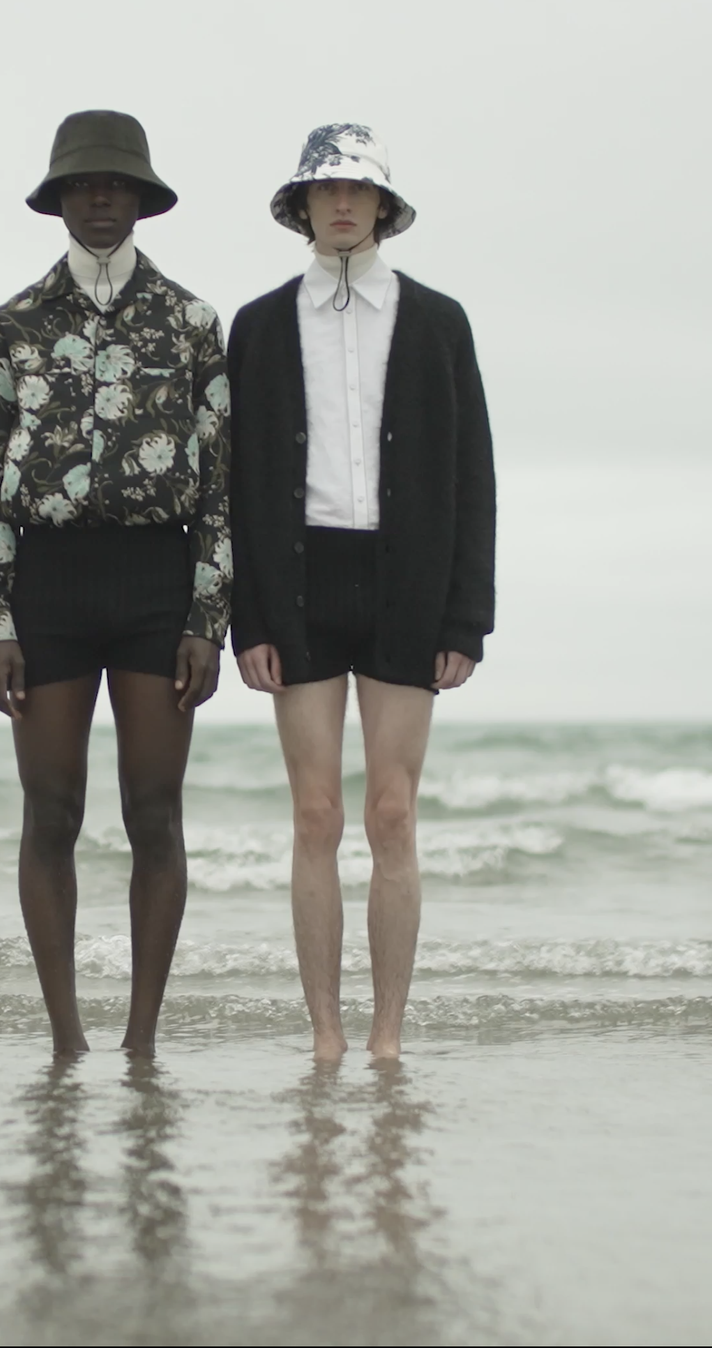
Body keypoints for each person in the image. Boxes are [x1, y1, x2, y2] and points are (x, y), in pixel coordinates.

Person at [0, 110, 231, 1059]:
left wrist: (210, 614)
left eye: (117, 185)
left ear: (145, 199)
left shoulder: (194, 324)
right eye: (83, 185)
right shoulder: (13, 325)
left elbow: (223, 483)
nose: (101, 199)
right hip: (48, 588)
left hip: (160, 585)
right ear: (59, 199)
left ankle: (141, 1042)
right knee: (53, 813)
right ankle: (68, 1040)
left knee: (155, 813)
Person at [226, 124, 496, 1061]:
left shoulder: (437, 321)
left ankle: (386, 1037)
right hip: (299, 584)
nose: (342, 205)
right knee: (315, 815)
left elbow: (475, 476)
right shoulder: (258, 326)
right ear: (300, 207)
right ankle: (326, 1037)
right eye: (324, 191)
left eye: (358, 191)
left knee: (391, 812)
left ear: (383, 206)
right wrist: (247, 616)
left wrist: (467, 616)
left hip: (406, 582)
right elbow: (239, 481)